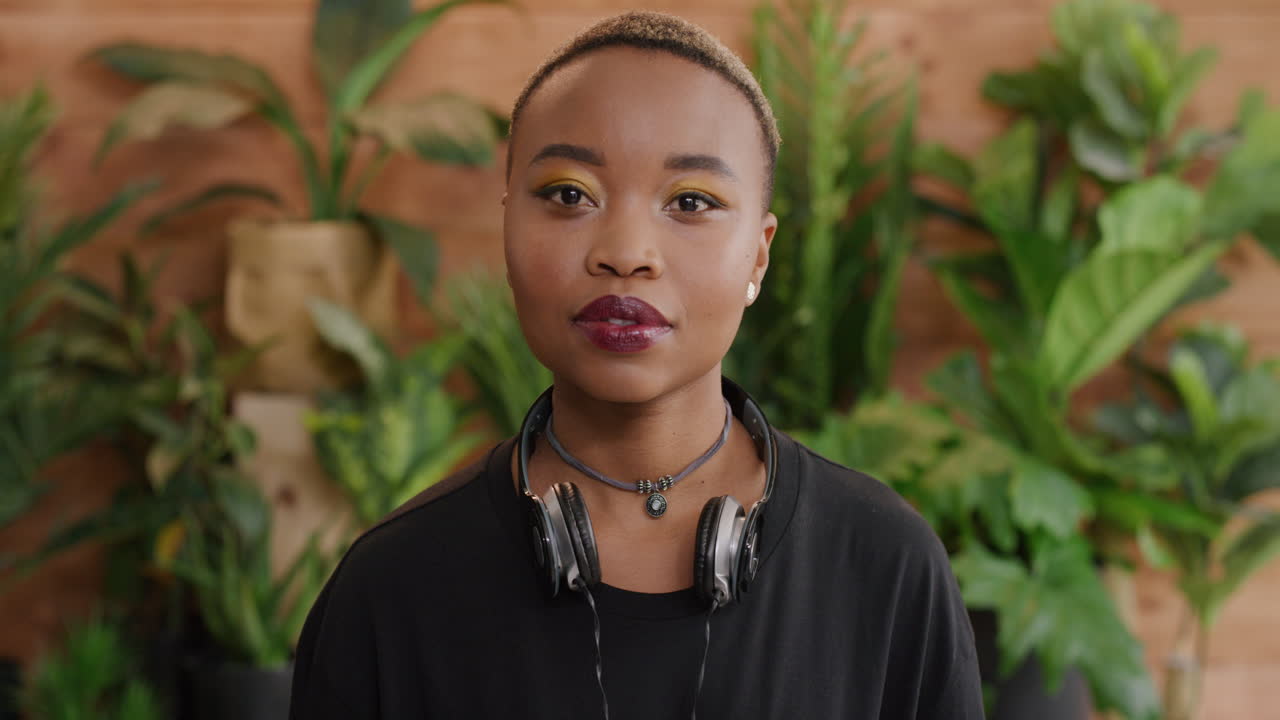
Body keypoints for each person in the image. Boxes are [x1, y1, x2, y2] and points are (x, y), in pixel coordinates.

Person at [289, 11, 983, 719]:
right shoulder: (393, 587)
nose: (626, 251)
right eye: (569, 195)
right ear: (506, 226)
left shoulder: (886, 567)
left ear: (760, 254)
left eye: (691, 201)